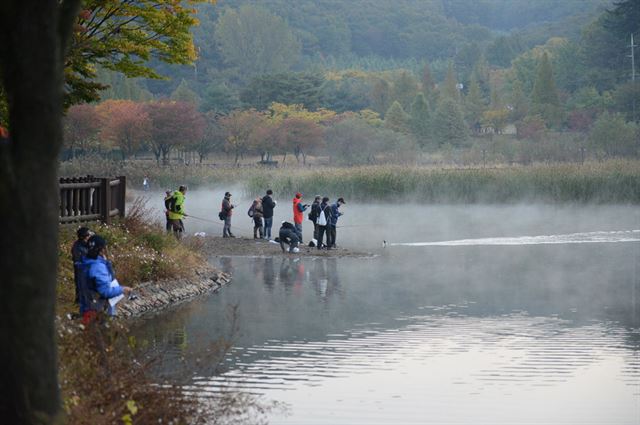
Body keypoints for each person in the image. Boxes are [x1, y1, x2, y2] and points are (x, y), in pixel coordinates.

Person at [79, 235, 132, 321]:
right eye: (104, 248)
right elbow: (105, 291)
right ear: (100, 250)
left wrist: (106, 262)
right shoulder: (97, 267)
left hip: (88, 306)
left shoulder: (86, 262)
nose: (106, 250)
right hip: (98, 311)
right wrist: (123, 289)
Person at [71, 226, 92, 304]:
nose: (90, 237)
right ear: (84, 237)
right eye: (88, 235)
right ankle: (79, 302)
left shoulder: (87, 244)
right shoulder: (77, 247)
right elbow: (77, 260)